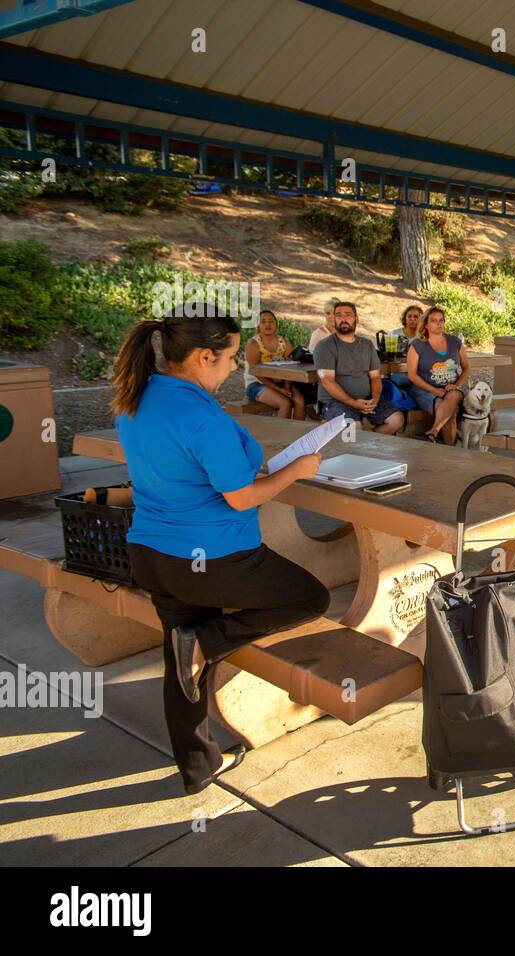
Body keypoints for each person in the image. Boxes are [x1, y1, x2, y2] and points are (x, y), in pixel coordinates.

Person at [112, 310, 329, 795]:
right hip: (212, 557)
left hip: (150, 554)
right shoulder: (201, 416)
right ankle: (206, 642)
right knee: (310, 599)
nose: (234, 367)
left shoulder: (135, 396)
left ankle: (197, 767)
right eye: (230, 358)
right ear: (203, 356)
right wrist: (296, 471)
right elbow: (241, 496)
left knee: (179, 653)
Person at [314, 301, 404, 434]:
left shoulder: (367, 345)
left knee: (397, 419)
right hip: (334, 402)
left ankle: (367, 446)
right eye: (338, 315)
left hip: (366, 400)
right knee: (354, 426)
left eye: (348, 315)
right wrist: (353, 403)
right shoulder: (325, 346)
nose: (343, 319)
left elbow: (375, 377)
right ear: (334, 319)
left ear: (357, 319)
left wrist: (375, 399)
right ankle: (359, 448)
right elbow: (327, 381)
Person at [406, 305, 470, 444]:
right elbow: (412, 375)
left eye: (441, 320)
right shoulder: (417, 345)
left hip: (451, 388)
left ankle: (434, 431)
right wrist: (434, 390)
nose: (439, 323)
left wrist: (456, 384)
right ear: (426, 325)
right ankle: (449, 451)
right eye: (434, 321)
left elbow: (466, 367)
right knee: (450, 412)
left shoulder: (455, 342)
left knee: (453, 395)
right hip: (425, 390)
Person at [243, 309, 306, 420]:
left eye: (271, 321)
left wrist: (286, 387)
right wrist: (280, 390)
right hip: (256, 383)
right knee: (285, 403)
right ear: (258, 325)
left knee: (300, 401)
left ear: (276, 324)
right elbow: (256, 373)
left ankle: (297, 435)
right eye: (263, 321)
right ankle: (281, 436)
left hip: (282, 382)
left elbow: (290, 367)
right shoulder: (253, 343)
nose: (268, 324)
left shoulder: (284, 342)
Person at [388, 304, 423, 391]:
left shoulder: (423, 337)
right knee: (399, 380)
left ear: (421, 320)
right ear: (405, 319)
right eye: (409, 316)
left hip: (417, 373)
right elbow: (386, 356)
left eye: (416, 317)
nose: (412, 319)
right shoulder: (394, 334)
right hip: (398, 372)